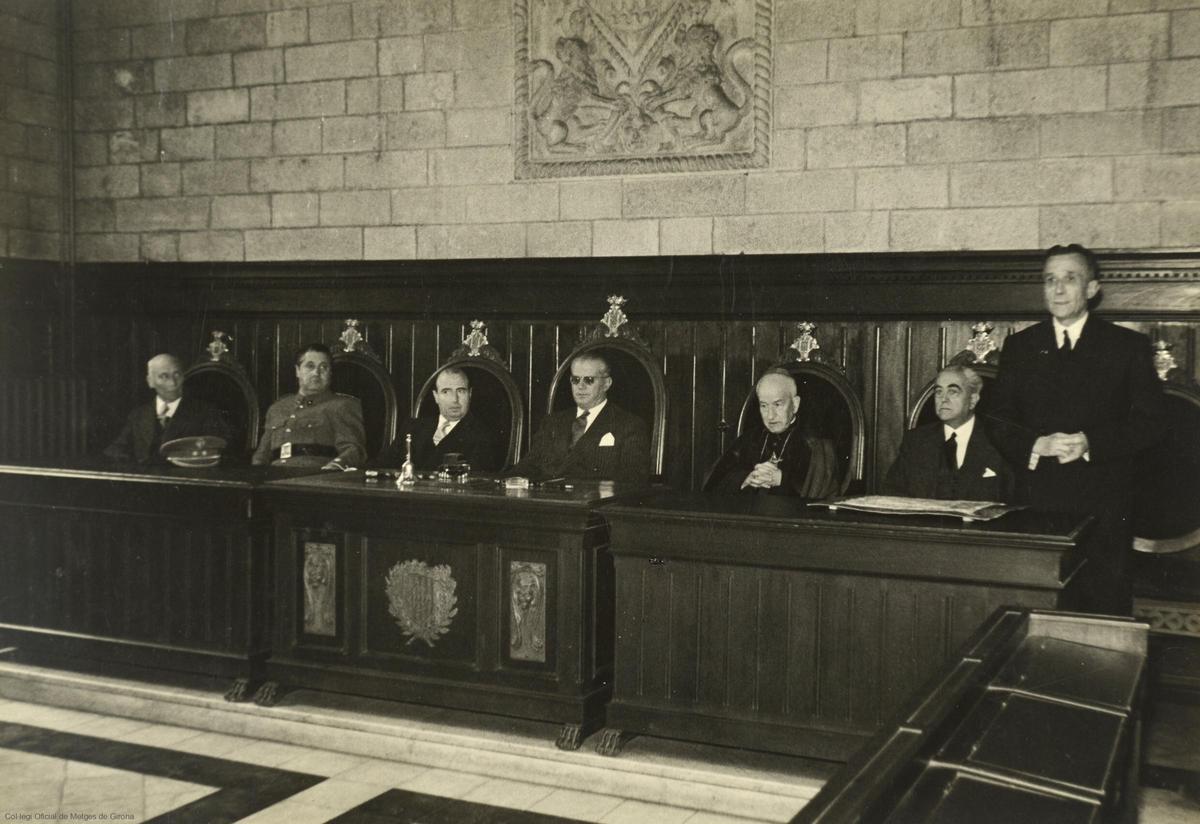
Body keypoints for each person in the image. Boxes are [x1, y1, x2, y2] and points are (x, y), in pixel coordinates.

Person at [987, 243, 1165, 614]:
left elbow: (1152, 424)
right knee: (1038, 612)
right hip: (1037, 503)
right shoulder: (1022, 346)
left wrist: (1090, 443)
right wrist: (1036, 444)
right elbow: (998, 419)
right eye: (1050, 280)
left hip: (1104, 510)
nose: (1058, 289)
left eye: (1070, 279)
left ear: (1092, 288)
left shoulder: (1126, 346)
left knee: (1100, 614)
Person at [510, 352, 650, 484]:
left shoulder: (629, 425)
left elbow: (633, 478)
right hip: (549, 501)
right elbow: (529, 465)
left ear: (606, 384)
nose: (580, 387)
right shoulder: (552, 422)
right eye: (575, 380)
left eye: (589, 380)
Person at [882, 365, 1013, 501]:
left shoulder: (998, 440)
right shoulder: (916, 441)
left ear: (973, 400)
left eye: (953, 391)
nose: (943, 399)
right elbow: (892, 493)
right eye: (938, 392)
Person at [704, 368, 839, 498]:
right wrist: (746, 479)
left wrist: (782, 479)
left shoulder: (816, 444)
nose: (770, 415)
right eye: (764, 405)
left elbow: (823, 489)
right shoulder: (749, 438)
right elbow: (713, 483)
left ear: (795, 404)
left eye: (778, 404)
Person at [252, 343, 366, 469]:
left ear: (330, 373)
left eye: (324, 367)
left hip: (314, 479)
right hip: (273, 479)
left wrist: (334, 467)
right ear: (297, 371)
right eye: (310, 366)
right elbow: (261, 455)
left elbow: (354, 450)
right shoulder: (277, 408)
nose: (316, 372)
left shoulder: (342, 406)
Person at [104, 353, 230, 464]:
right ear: (150, 381)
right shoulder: (138, 415)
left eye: (177, 375)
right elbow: (116, 450)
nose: (173, 383)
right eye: (164, 376)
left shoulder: (205, 413)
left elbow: (221, 452)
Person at [375, 366, 502, 471]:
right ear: (436, 396)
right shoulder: (412, 427)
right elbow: (381, 466)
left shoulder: (483, 434)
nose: (454, 400)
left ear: (470, 394)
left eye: (461, 391)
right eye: (446, 392)